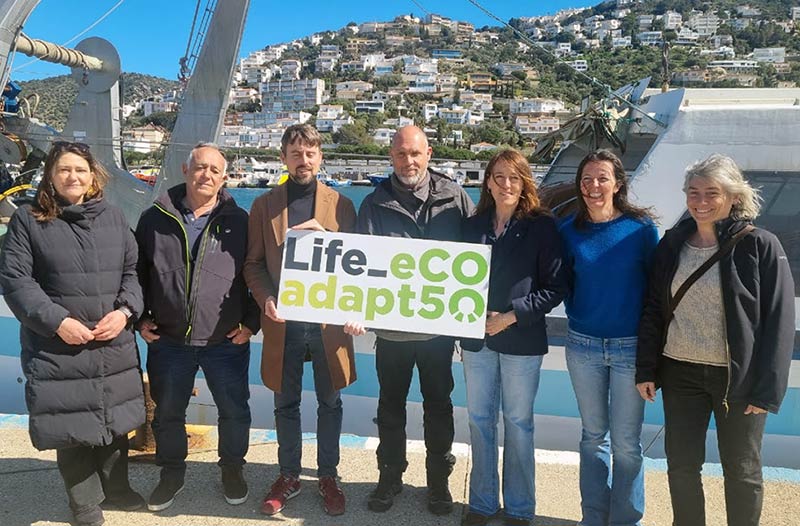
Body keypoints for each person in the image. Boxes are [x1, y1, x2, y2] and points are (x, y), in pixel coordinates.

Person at [636, 154, 795, 526]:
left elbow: (779, 322)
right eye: (694, 192)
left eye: (712, 192)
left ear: (733, 197)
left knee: (741, 470)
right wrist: (647, 368)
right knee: (681, 465)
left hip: (737, 381)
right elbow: (654, 309)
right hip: (679, 372)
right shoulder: (672, 245)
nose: (701, 201)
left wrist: (766, 390)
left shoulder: (760, 246)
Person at [0, 141, 145, 526]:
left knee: (115, 422)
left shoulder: (114, 218)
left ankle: (117, 489)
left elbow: (133, 273)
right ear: (50, 174)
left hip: (111, 340)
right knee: (71, 426)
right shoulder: (28, 219)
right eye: (64, 169)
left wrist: (126, 311)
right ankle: (84, 505)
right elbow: (16, 280)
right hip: (57, 346)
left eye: (80, 170)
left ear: (93, 176)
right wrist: (57, 321)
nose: (73, 177)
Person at [351, 125, 473, 515]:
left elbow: (477, 251)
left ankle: (439, 483)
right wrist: (354, 309)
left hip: (438, 333)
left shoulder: (454, 196)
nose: (409, 161)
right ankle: (390, 479)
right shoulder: (373, 203)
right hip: (391, 334)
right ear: (391, 156)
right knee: (390, 408)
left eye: (416, 153)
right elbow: (360, 265)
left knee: (440, 408)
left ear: (429, 153)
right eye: (402, 154)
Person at [135, 142, 260, 512]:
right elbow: (137, 273)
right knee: (168, 412)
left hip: (225, 338)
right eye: (200, 167)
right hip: (169, 339)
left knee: (235, 411)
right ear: (186, 171)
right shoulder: (154, 218)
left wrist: (252, 323)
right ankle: (171, 474)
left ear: (224, 178)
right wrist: (140, 318)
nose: (206, 175)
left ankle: (233, 470)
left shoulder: (240, 222)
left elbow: (255, 272)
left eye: (215, 170)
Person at [243, 124, 357, 517]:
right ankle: (289, 474)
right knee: (285, 404)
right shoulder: (264, 206)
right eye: (295, 153)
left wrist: (327, 240)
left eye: (310, 153)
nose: (303, 160)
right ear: (283, 158)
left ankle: (328, 476)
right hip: (284, 323)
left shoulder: (342, 205)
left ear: (320, 157)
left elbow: (357, 267)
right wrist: (266, 298)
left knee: (331, 402)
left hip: (328, 326)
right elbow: (253, 265)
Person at [459, 149, 567, 526]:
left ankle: (520, 510)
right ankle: (483, 504)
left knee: (518, 424)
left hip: (521, 340)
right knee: (480, 420)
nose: (506, 184)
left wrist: (509, 317)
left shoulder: (542, 226)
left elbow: (555, 288)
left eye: (514, 178)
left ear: (525, 184)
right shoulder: (472, 226)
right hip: (475, 341)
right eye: (499, 176)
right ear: (487, 181)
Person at [558, 149, 659, 526]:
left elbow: (655, 292)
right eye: (586, 179)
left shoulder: (641, 230)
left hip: (629, 349)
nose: (593, 186)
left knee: (627, 444)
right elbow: (563, 281)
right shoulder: (568, 231)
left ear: (618, 184)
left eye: (602, 178)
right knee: (592, 437)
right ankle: (593, 518)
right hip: (582, 345)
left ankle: (626, 520)